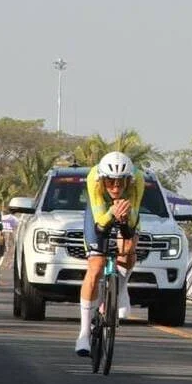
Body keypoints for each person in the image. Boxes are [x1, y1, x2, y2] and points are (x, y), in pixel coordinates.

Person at [75, 151, 144, 356]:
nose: (115, 187)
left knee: (129, 248)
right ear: (102, 180)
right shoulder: (93, 179)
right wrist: (112, 213)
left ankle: (121, 290)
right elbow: (99, 226)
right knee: (96, 267)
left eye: (120, 183)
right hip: (101, 213)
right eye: (110, 182)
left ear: (128, 180)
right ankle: (84, 334)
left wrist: (124, 218)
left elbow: (131, 227)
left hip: (126, 209)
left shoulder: (137, 181)